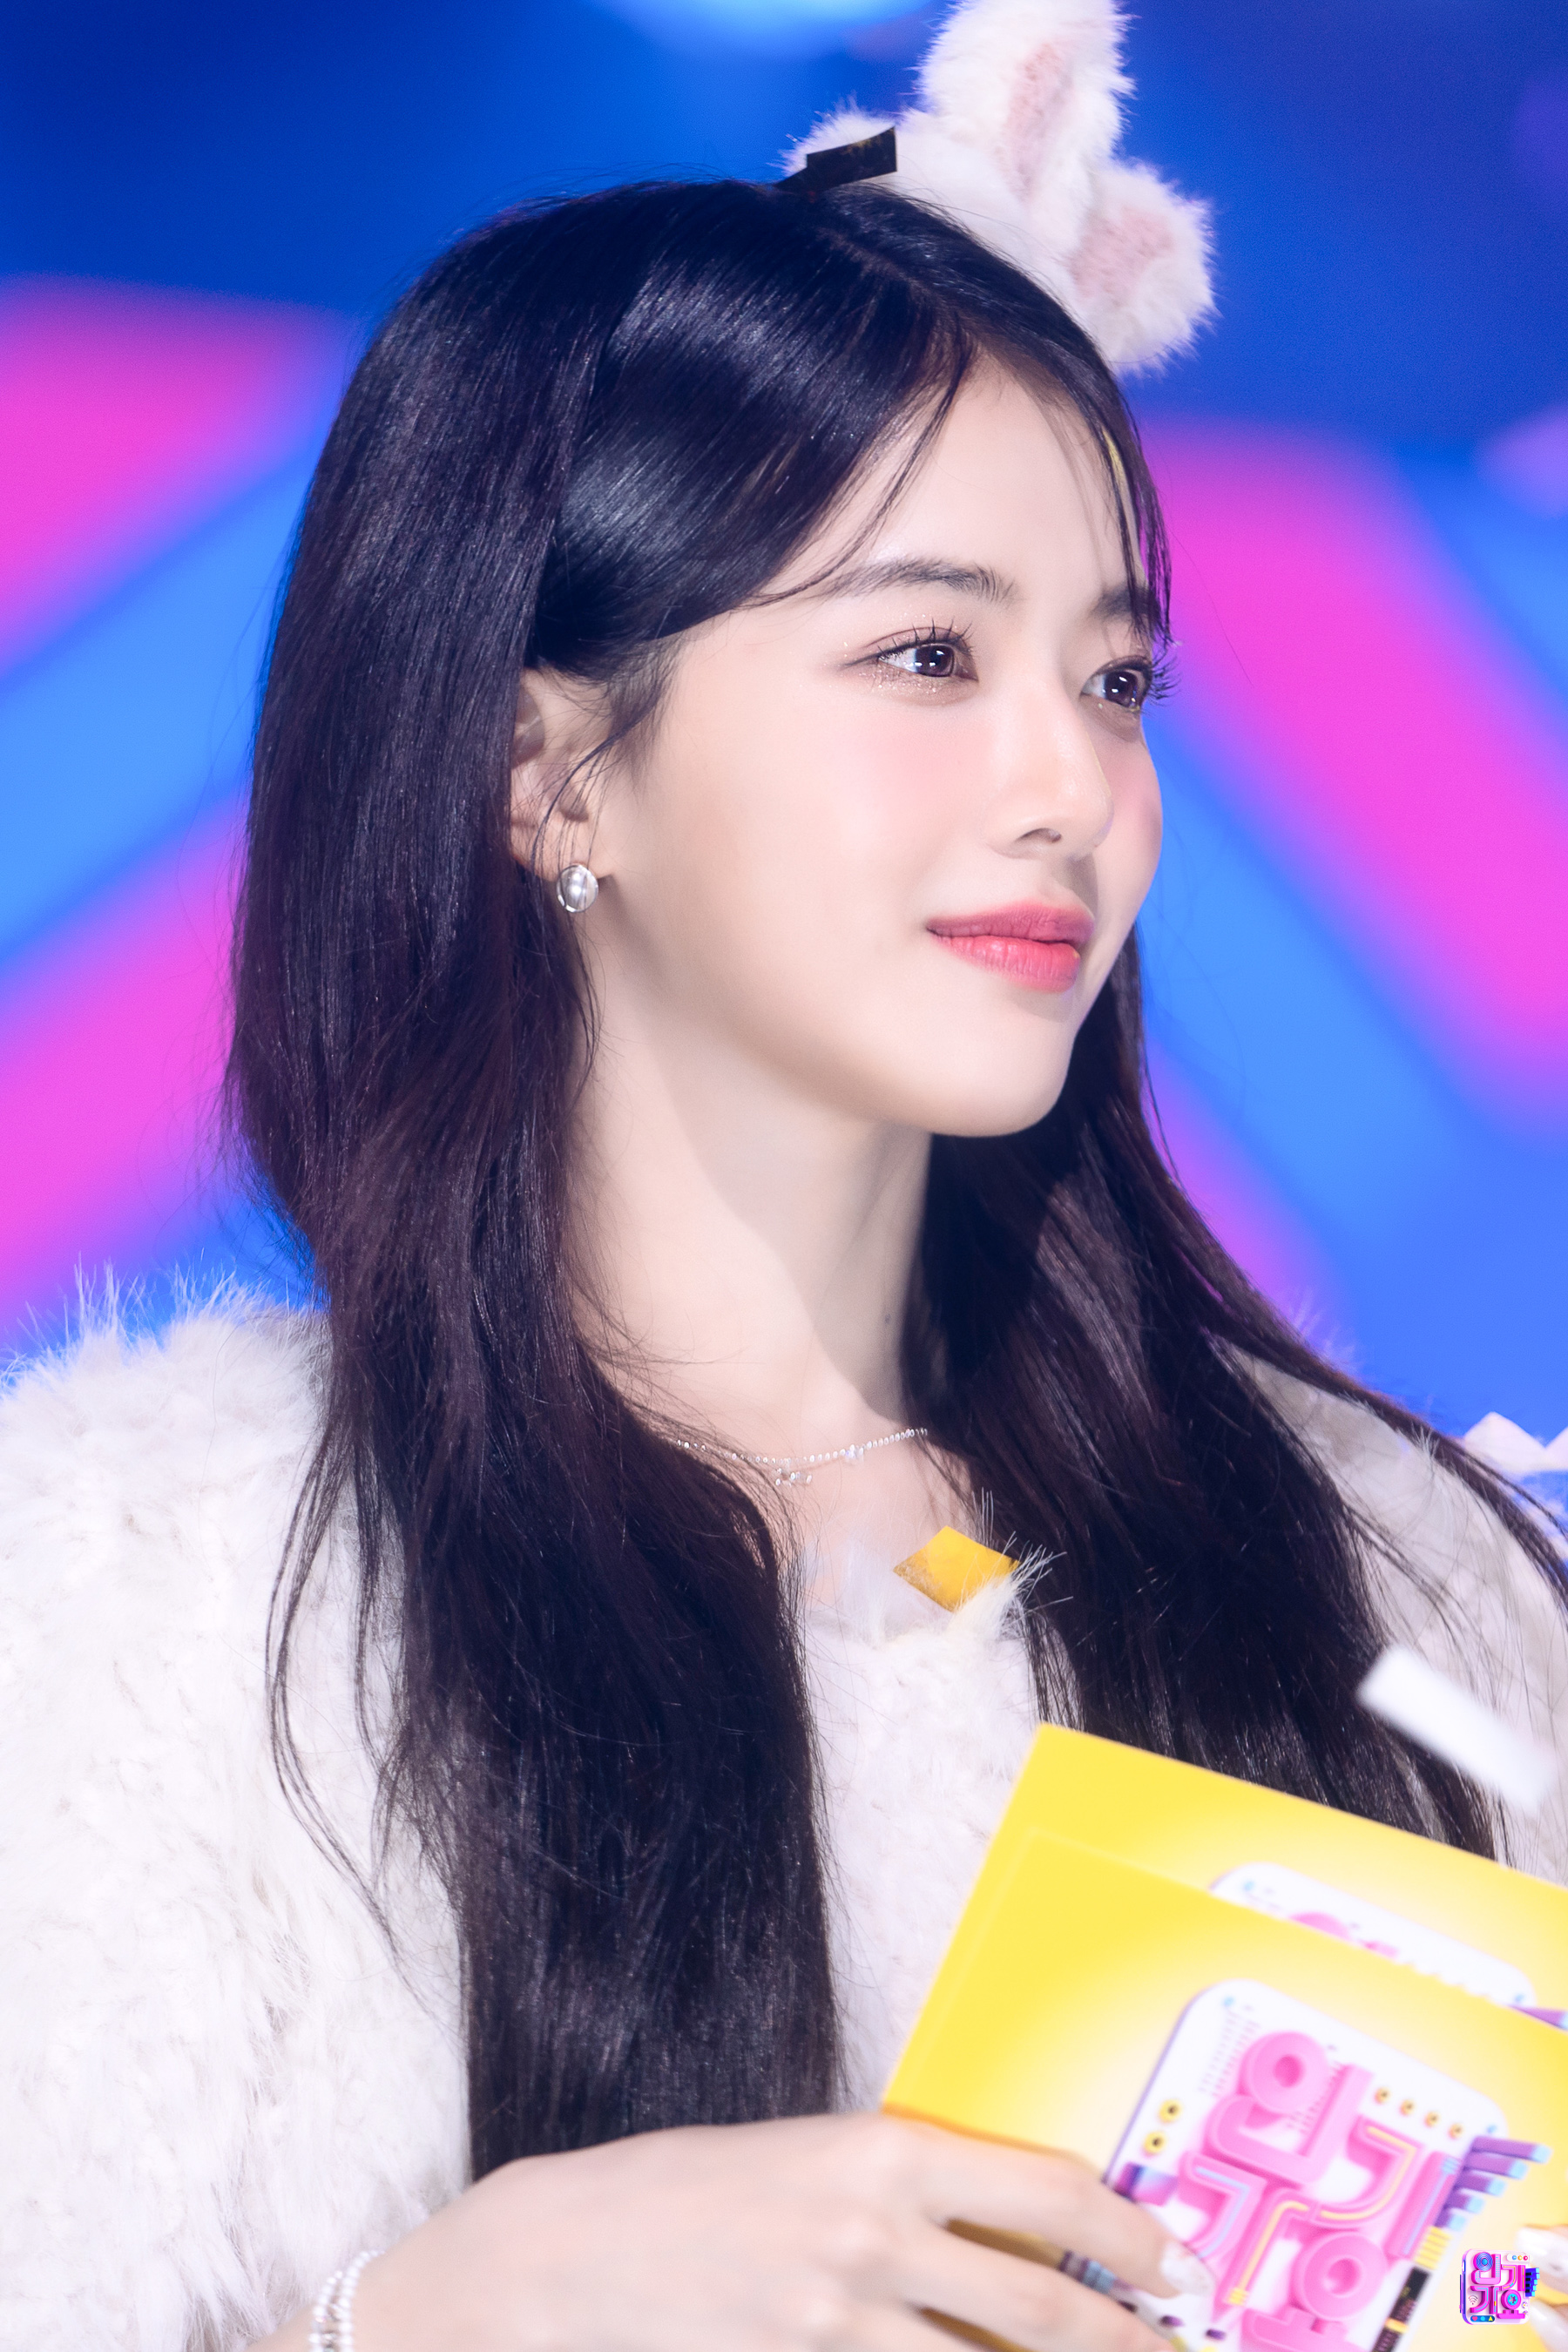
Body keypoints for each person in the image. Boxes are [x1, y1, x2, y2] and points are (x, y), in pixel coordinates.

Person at [3, 7, 1565, 2349]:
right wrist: (424, 2321)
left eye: (1116, 680)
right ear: (550, 772)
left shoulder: (1397, 1586)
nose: (1071, 784)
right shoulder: (136, 1607)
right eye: (928, 652)